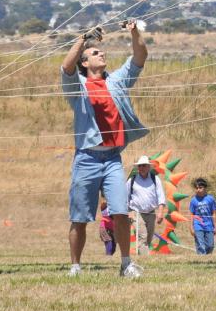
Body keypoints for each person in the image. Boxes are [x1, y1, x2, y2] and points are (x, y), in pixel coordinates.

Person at [60, 21, 149, 278]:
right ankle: (75, 266)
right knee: (79, 217)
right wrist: (82, 39)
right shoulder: (77, 85)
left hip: (112, 158)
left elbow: (140, 57)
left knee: (121, 211)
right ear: (85, 63)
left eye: (101, 51)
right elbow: (66, 67)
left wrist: (134, 30)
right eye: (95, 53)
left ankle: (126, 264)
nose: (102, 54)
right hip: (86, 158)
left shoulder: (117, 81)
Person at [127, 155, 167, 253]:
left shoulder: (155, 179)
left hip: (151, 213)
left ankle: (143, 255)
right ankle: (144, 258)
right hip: (136, 212)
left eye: (144, 166)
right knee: (142, 236)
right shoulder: (132, 180)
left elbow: (161, 196)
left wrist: (160, 212)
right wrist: (128, 212)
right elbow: (125, 197)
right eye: (140, 166)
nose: (142, 168)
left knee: (149, 236)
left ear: (149, 167)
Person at [188, 178, 216, 254]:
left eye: (200, 188)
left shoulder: (210, 199)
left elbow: (214, 213)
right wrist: (191, 227)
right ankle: (201, 259)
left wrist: (215, 226)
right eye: (197, 188)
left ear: (205, 188)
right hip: (198, 225)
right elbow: (191, 214)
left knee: (210, 246)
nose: (198, 190)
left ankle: (207, 258)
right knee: (200, 245)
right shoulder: (193, 200)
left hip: (209, 225)